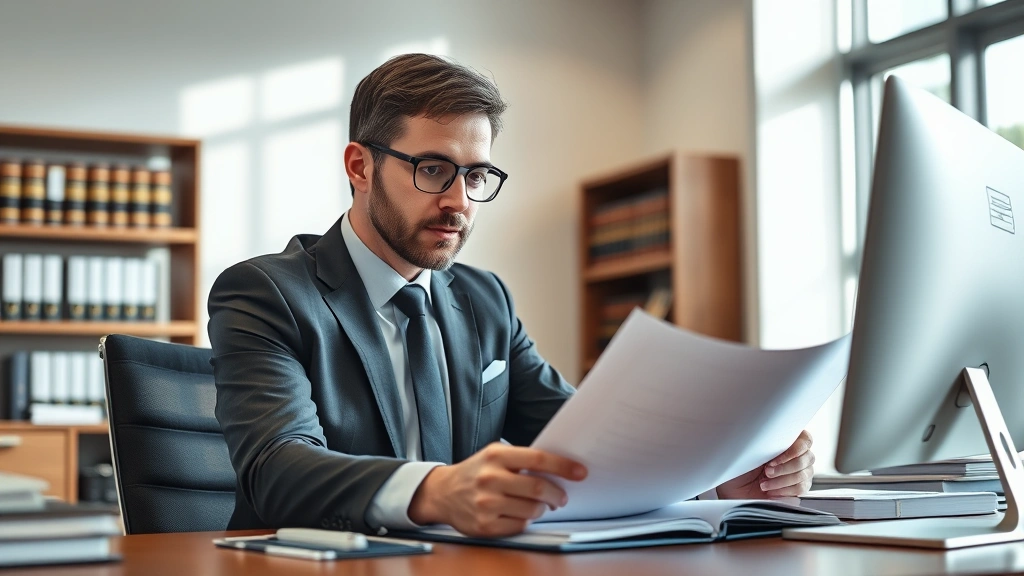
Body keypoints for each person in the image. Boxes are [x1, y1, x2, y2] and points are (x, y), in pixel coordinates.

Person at [208, 53, 815, 538]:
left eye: (476, 176)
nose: (459, 202)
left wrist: (721, 479)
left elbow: (589, 443)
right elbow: (277, 468)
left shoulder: (484, 299)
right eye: (433, 169)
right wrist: (435, 490)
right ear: (360, 166)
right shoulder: (268, 293)